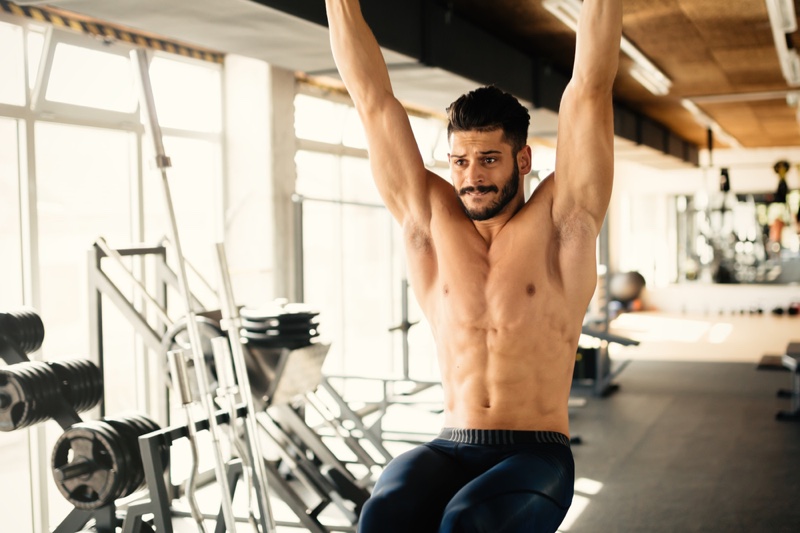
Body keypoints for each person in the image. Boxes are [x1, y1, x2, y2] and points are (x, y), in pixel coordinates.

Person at [324, 0, 622, 531]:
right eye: (460, 161)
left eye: (489, 159)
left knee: (466, 522)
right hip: (450, 443)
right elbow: (372, 100)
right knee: (383, 515)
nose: (472, 177)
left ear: (523, 160)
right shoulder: (428, 221)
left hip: (536, 454)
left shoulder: (563, 222)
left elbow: (590, 87)